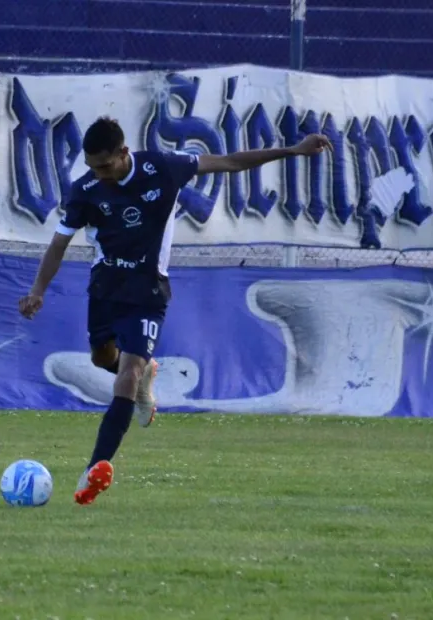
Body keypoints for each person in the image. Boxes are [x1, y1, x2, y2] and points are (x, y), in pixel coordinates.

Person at [18, 116, 332, 505]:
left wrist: (292, 150)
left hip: (148, 290)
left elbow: (231, 161)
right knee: (104, 359)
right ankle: (145, 375)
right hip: (105, 289)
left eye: (104, 166)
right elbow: (58, 244)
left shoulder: (162, 168)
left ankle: (94, 468)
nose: (98, 175)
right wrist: (38, 291)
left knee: (127, 374)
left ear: (123, 153)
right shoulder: (85, 191)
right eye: (91, 168)